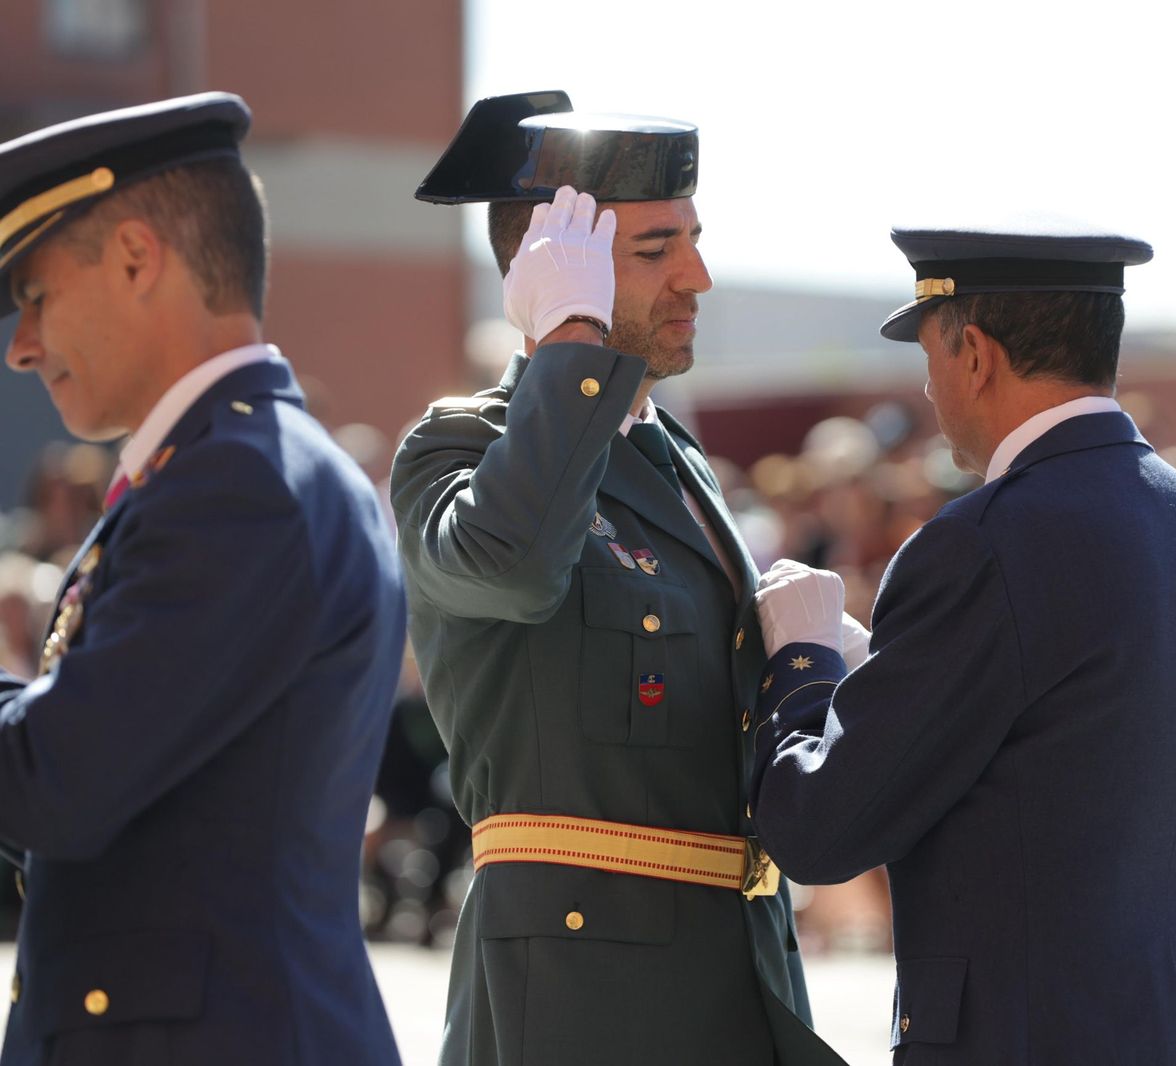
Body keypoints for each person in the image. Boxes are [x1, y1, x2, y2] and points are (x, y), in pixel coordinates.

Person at [747, 217, 1176, 1063]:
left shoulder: (982, 544)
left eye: (931, 358)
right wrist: (878, 680)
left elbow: (820, 829)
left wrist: (805, 662)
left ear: (976, 357)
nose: (929, 391)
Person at [391, 92, 848, 1065]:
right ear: (552, 276)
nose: (697, 277)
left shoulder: (676, 460)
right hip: (580, 995)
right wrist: (570, 344)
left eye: (691, 240)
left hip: (735, 973)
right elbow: (514, 567)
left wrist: (805, 667)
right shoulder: (458, 446)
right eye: (651, 252)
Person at [0, 94, 406, 1064]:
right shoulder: (243, 467)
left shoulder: (237, 483)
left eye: (37, 294)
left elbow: (59, 780)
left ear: (138, 257)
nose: (19, 343)